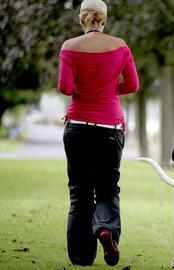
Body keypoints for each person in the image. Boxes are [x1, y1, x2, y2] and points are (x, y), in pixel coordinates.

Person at [57, 0, 139, 266]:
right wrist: (109, 90)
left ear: (82, 20)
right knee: (107, 189)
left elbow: (65, 87)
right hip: (110, 128)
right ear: (104, 20)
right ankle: (106, 229)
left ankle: (81, 256)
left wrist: (87, 89)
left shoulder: (69, 47)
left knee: (80, 192)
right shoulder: (121, 46)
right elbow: (133, 85)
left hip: (78, 126)